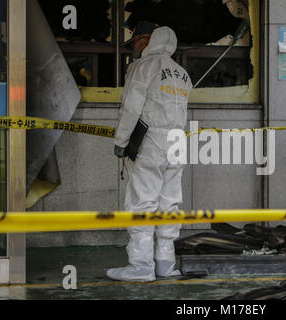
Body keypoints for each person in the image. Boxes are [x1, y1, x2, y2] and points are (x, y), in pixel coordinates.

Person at [108, 23, 193, 281]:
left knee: (142, 201)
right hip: (178, 141)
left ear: (148, 41)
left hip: (150, 141)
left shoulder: (142, 68)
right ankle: (165, 264)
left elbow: (131, 109)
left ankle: (140, 266)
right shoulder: (182, 73)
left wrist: (121, 142)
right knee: (170, 202)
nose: (134, 47)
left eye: (136, 41)